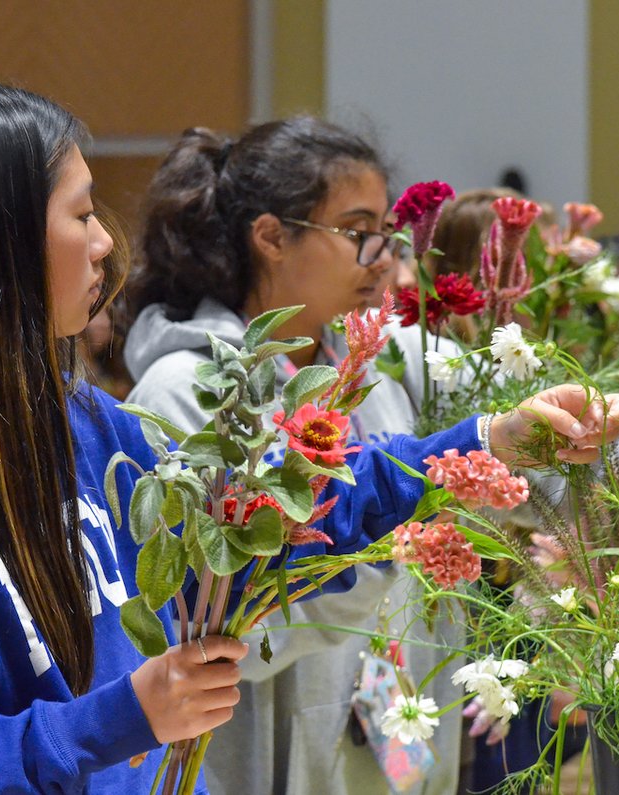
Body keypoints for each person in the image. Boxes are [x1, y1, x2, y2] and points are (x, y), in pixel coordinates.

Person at [0, 84, 619, 794]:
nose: (104, 240)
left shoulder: (80, 422)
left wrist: (485, 442)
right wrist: (121, 717)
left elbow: (269, 514)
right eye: (80, 214)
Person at [124, 119, 486, 794]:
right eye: (357, 230)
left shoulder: (372, 369)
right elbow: (222, 627)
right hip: (262, 751)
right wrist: (384, 549)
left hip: (386, 741)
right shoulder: (188, 391)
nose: (381, 258)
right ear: (270, 237)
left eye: (387, 234)